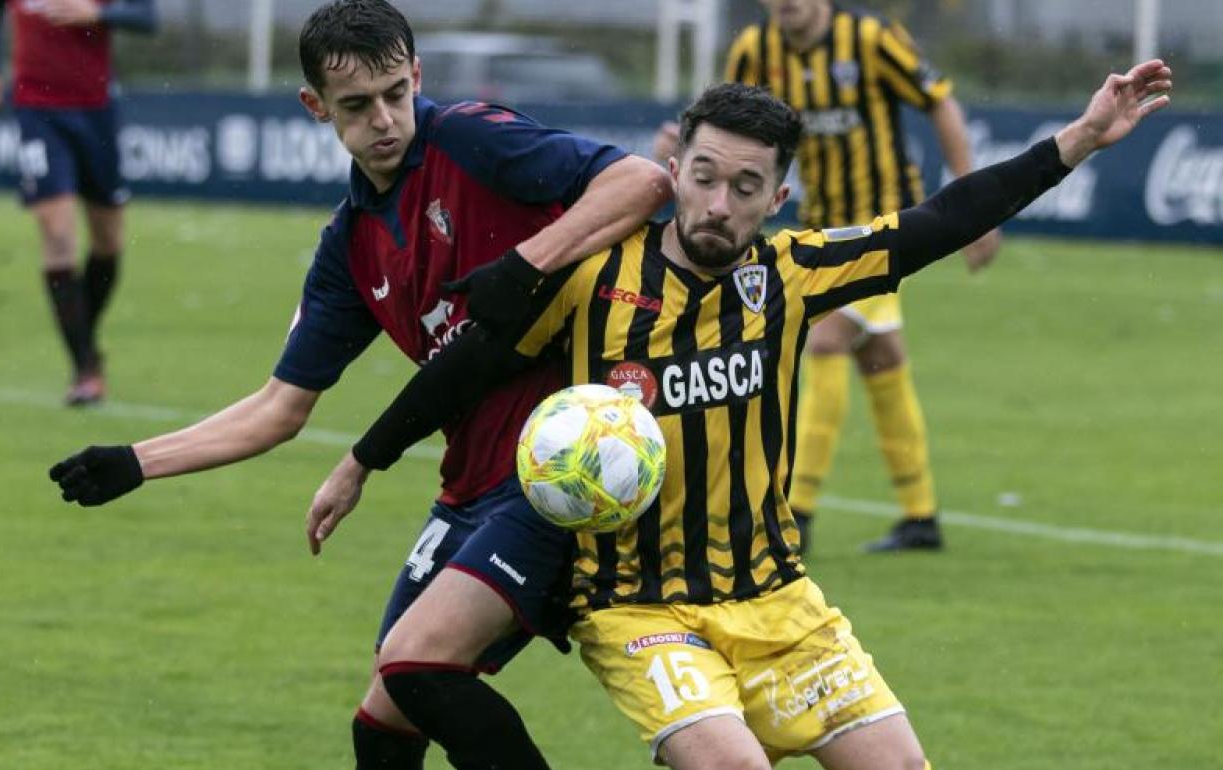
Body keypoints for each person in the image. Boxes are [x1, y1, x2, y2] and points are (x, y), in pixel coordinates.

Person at [332, 63, 1171, 768]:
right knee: (732, 764)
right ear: (674, 170)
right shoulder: (591, 281)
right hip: (640, 606)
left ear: (777, 197)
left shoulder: (794, 273)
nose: (718, 205)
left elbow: (941, 222)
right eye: (703, 178)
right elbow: (471, 362)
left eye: (745, 187)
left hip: (778, 598)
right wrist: (363, 457)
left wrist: (1080, 139)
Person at [46, 1, 671, 768]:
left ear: (416, 77)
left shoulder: (468, 138)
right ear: (316, 107)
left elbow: (640, 180)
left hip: (560, 464)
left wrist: (527, 263)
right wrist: (137, 461)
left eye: (394, 94)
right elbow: (280, 408)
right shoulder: (349, 246)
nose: (384, 119)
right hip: (470, 476)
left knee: (417, 668)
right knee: (385, 715)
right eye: (356, 106)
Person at [655, 0, 1000, 553]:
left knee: (826, 341)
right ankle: (920, 514)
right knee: (881, 360)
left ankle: (798, 512)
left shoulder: (871, 40)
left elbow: (941, 103)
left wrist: (974, 209)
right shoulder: (755, 51)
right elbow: (723, 125)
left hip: (884, 234)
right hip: (819, 237)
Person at [0, 0, 158, 405]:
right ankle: (85, 369)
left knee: (108, 241)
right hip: (36, 110)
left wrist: (98, 15)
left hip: (96, 111)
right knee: (58, 235)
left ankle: (84, 341)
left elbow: (147, 18)